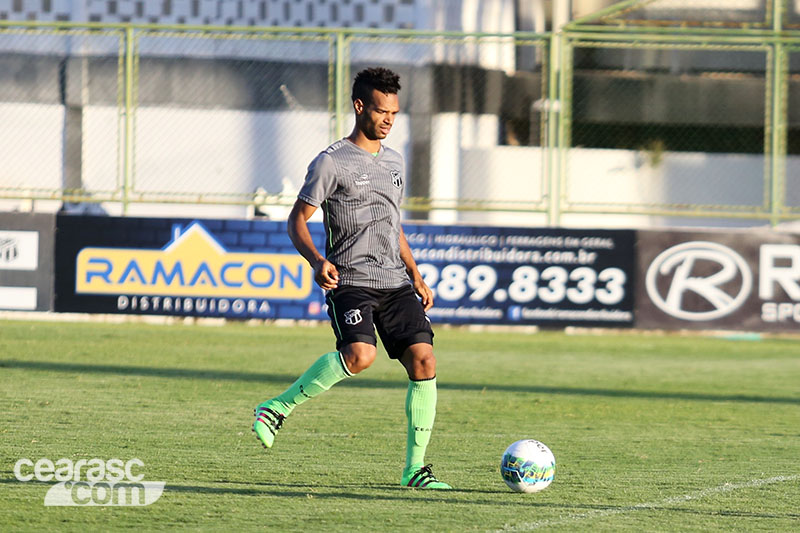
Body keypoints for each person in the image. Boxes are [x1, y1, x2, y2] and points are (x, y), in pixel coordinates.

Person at [252, 67, 451, 490]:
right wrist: (315, 259)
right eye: (381, 111)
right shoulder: (331, 162)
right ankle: (276, 408)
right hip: (352, 281)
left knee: (425, 360)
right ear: (360, 106)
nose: (388, 120)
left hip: (395, 282)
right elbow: (297, 220)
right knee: (360, 357)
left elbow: (391, 224)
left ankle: (415, 470)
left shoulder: (395, 162)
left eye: (394, 113)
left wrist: (415, 274)